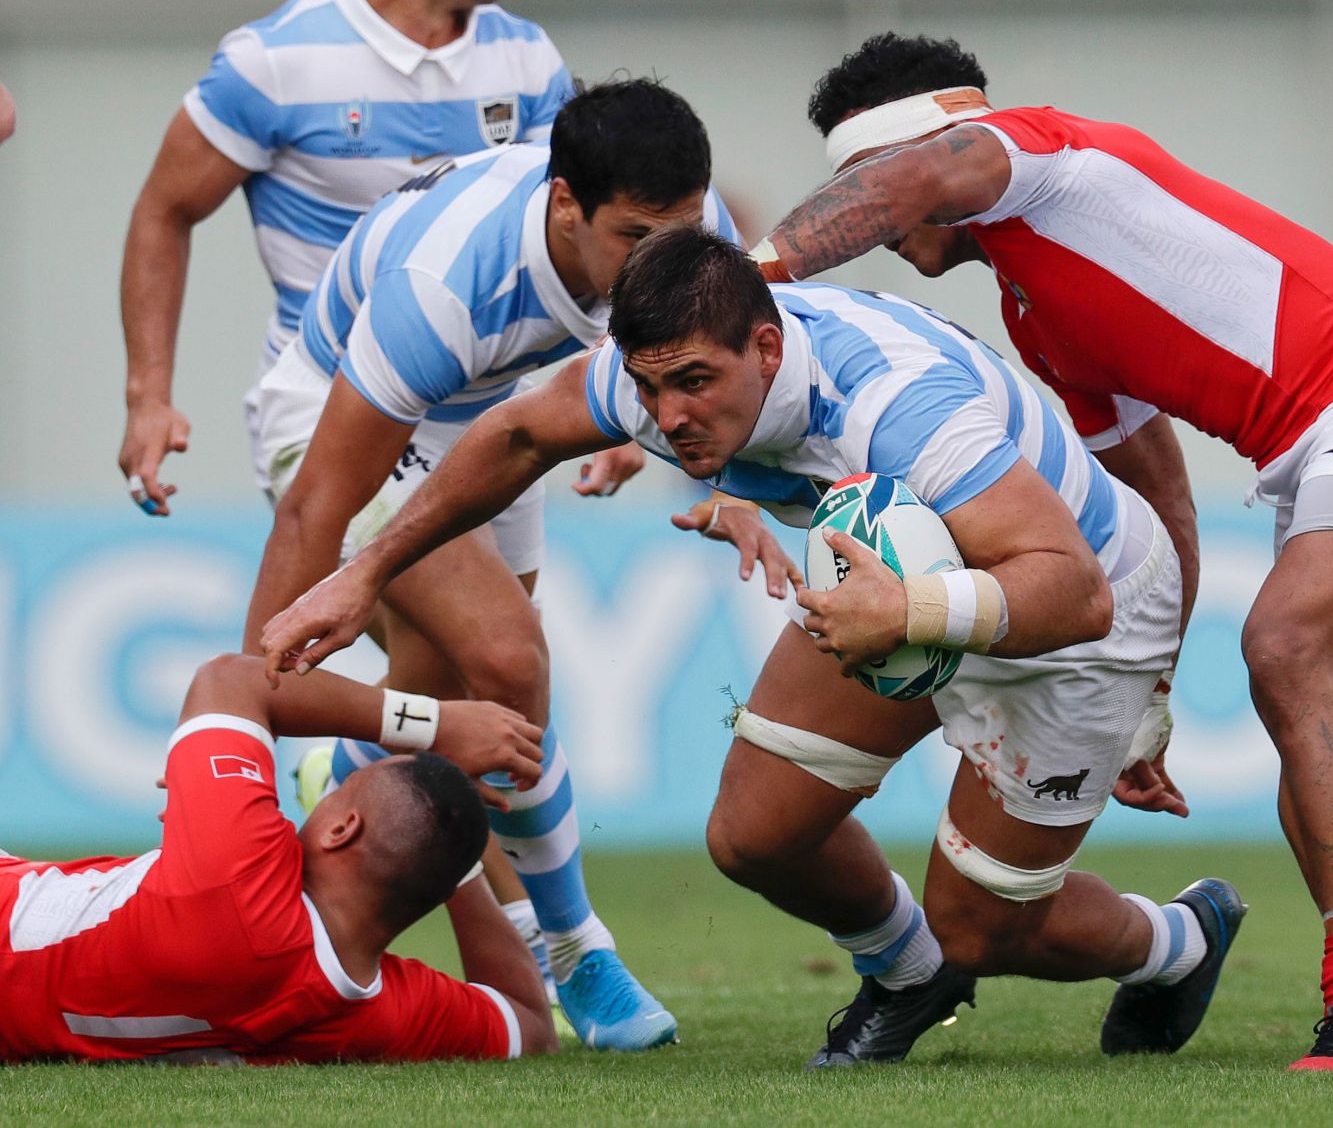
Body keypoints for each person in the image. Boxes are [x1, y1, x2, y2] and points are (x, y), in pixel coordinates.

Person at [258, 227, 1248, 1069]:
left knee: (985, 927)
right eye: (651, 391)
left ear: (767, 349)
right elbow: (517, 437)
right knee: (754, 837)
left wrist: (906, 613)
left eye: (696, 383)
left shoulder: (895, 408)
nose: (672, 418)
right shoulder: (650, 375)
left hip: (1082, 613)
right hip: (900, 571)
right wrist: (365, 572)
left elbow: (1068, 589)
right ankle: (909, 975)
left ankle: (1178, 940)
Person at [747, 33, 1333, 1069]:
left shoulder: (1036, 156)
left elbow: (918, 174)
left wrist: (750, 277)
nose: (867, 222)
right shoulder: (1037, 312)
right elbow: (1159, 501)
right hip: (1320, 447)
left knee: (1290, 649)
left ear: (932, 151)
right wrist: (1148, 692)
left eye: (865, 187)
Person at [243, 79, 741, 1052]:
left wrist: (641, 416)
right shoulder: (443, 288)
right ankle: (572, 948)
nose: (664, 267)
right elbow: (318, 499)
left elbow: (730, 359)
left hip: (498, 419)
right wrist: (229, 732)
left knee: (438, 690)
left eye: (675, 237)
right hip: (338, 409)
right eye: (635, 240)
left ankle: (338, 770)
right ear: (565, 208)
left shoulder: (684, 235)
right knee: (511, 664)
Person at [118, 0, 580, 516]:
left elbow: (581, 228)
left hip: (485, 412)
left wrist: (615, 382)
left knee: (502, 610)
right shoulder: (274, 60)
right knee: (482, 611)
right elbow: (164, 211)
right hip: (333, 398)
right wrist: (148, 398)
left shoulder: (527, 56)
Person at [0, 652, 556, 1064]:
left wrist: (435, 725)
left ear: (341, 828)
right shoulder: (371, 1016)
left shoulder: (240, 878)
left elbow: (231, 679)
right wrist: (457, 859)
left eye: (337, 789)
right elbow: (531, 1025)